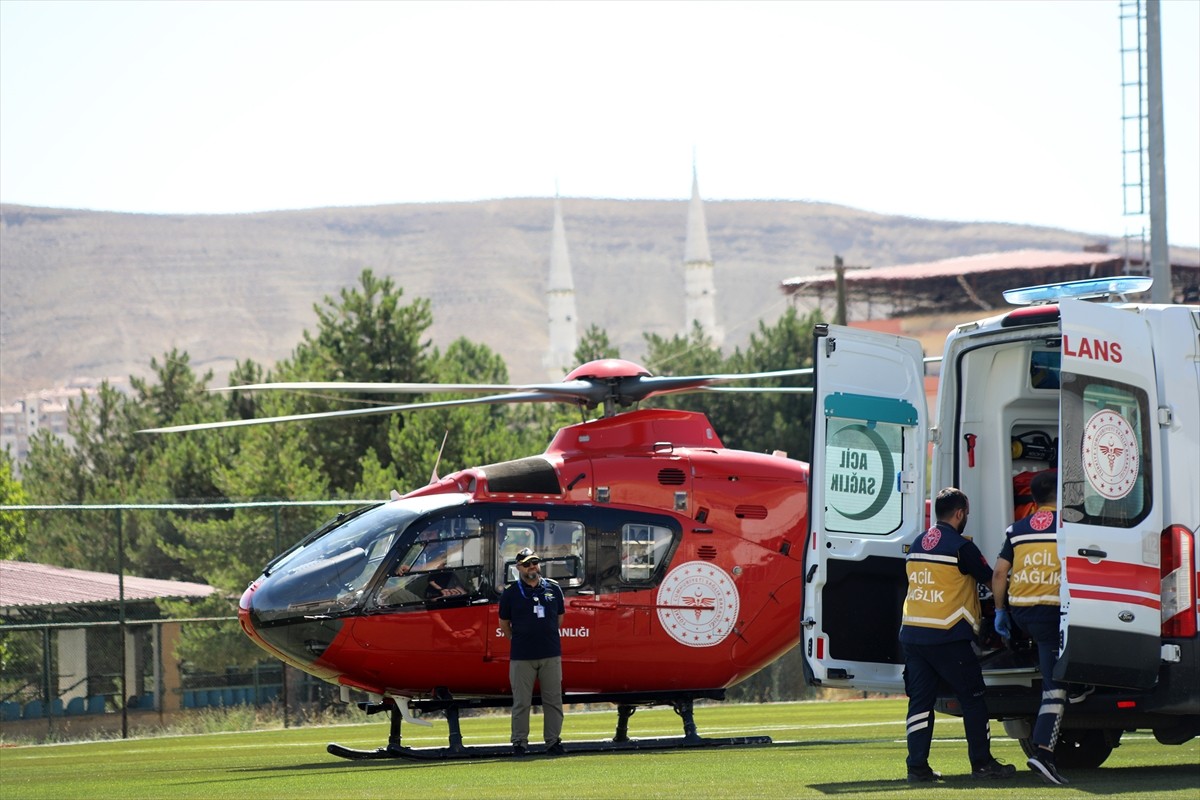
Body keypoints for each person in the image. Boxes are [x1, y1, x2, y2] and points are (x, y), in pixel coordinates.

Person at [900, 487, 1016, 783]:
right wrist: (1007, 606)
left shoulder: (917, 543)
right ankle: (982, 763)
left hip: (913, 634)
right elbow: (992, 580)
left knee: (920, 704)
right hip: (947, 634)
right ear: (960, 513)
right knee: (973, 698)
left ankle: (917, 767)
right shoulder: (961, 547)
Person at [992, 470, 1070, 786]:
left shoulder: (1017, 530)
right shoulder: (1068, 527)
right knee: (1056, 685)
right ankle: (1043, 752)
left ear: (1033, 498)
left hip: (1021, 613)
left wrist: (1000, 612)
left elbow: (999, 574)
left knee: (1052, 670)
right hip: (1051, 613)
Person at [498, 548, 566, 756]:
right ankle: (519, 742)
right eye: (527, 564)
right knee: (521, 702)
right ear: (518, 568)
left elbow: (559, 619)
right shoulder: (510, 593)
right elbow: (504, 624)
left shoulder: (553, 589)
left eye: (535, 562)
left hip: (550, 654)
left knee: (553, 700)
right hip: (522, 657)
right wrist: (519, 640)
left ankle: (553, 742)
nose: (532, 567)